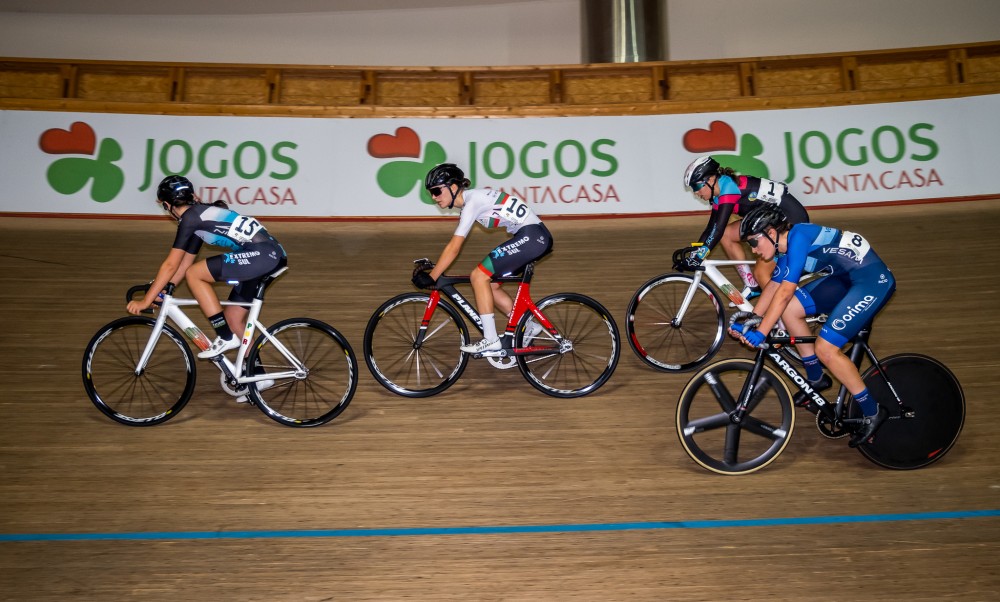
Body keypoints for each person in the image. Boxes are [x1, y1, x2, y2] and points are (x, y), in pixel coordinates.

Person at [728, 205, 896, 447]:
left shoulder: (800, 235)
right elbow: (775, 286)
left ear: (771, 232)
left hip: (870, 280)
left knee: (826, 349)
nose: (753, 249)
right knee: (790, 310)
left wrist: (762, 331)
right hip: (845, 279)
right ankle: (816, 380)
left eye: (754, 242)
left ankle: (872, 411)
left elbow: (786, 291)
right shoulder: (784, 251)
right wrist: (754, 317)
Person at [126, 175, 288, 359]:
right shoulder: (198, 216)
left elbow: (171, 264)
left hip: (263, 255)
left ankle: (225, 337)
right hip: (268, 255)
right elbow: (183, 263)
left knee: (195, 274)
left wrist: (146, 301)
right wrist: (162, 290)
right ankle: (256, 375)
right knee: (232, 319)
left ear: (166, 205)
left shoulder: (191, 218)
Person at [412, 163, 553, 354]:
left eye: (437, 191)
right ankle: (528, 326)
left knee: (478, 276)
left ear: (453, 187)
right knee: (490, 287)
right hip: (531, 236)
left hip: (532, 237)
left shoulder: (473, 201)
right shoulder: (471, 202)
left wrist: (433, 276)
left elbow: (454, 247)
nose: (434, 197)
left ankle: (490, 339)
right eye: (431, 193)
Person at [681, 155, 810, 296]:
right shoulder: (720, 192)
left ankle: (781, 313)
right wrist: (697, 250)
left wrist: (701, 254)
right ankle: (752, 285)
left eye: (696, 186)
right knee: (726, 235)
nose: (695, 192)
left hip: (791, 221)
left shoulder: (729, 189)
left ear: (710, 180)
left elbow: (717, 229)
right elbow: (712, 227)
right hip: (773, 220)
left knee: (762, 273)